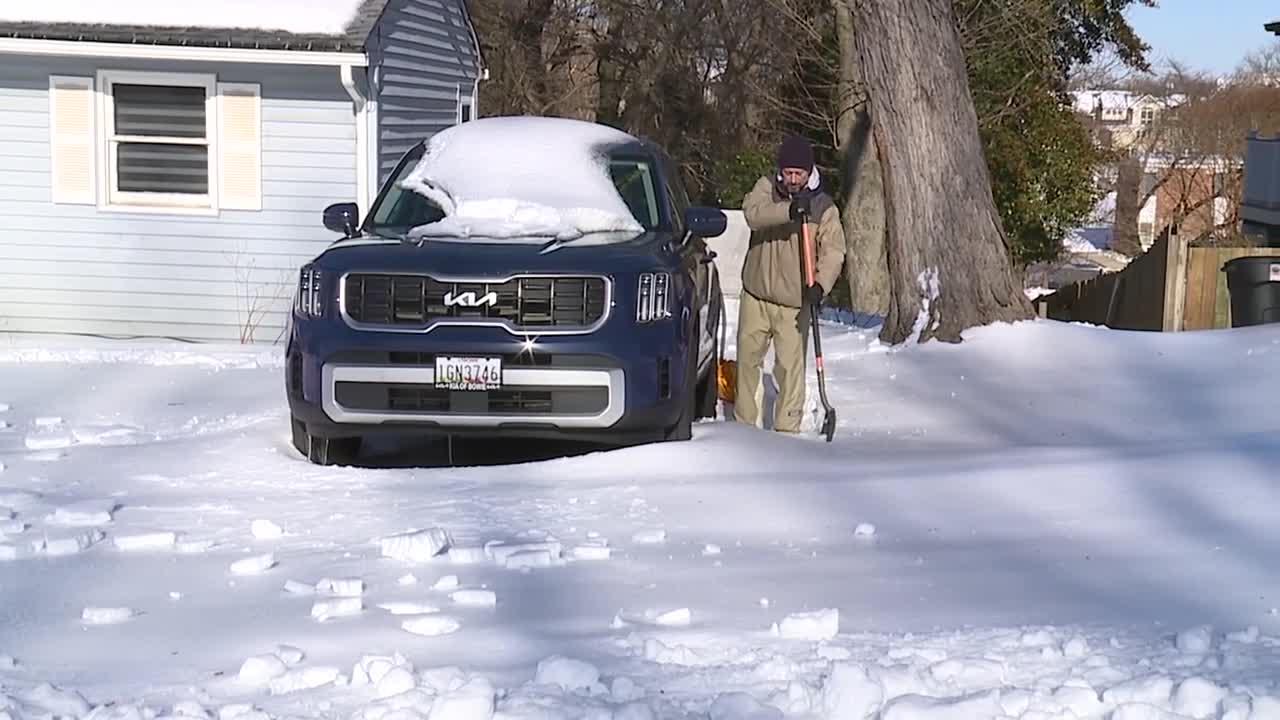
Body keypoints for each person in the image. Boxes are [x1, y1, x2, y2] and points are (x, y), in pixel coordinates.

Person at [734, 134, 844, 433]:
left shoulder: (823, 207)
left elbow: (834, 252)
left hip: (794, 304)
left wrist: (821, 284)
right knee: (747, 362)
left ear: (809, 172)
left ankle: (787, 430)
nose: (793, 179)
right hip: (756, 295)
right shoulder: (766, 188)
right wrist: (789, 211)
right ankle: (743, 428)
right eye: (788, 172)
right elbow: (752, 215)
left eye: (799, 173)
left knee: (789, 370)